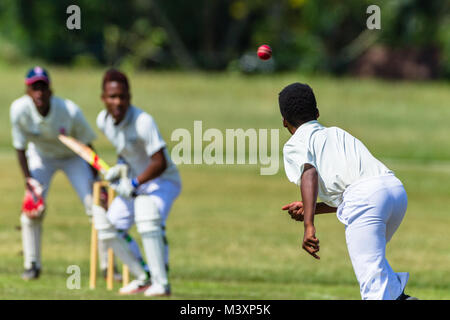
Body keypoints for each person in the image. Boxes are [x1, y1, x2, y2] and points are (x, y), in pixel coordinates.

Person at [279, 82, 417, 300]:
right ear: (317, 113)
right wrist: (311, 208)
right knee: (378, 273)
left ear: (284, 121)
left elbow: (310, 173)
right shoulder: (337, 133)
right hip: (395, 191)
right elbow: (353, 193)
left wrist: (309, 225)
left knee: (373, 288)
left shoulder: (296, 143)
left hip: (366, 199)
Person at [10, 66, 116, 280]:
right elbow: (20, 148)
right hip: (40, 156)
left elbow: (87, 145)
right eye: (34, 88)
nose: (39, 92)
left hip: (73, 157)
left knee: (95, 207)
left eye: (43, 87)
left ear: (50, 91)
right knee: (31, 210)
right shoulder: (18, 110)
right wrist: (29, 181)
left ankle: (107, 267)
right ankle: (32, 265)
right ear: (27, 91)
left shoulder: (69, 111)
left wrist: (97, 181)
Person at [93, 69, 181, 296]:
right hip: (136, 180)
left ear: (129, 97)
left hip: (162, 181)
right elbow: (126, 151)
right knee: (109, 227)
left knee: (147, 218)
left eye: (122, 96)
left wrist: (132, 183)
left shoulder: (143, 121)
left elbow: (160, 162)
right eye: (112, 97)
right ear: (103, 98)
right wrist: (120, 169)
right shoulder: (103, 121)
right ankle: (144, 277)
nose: (118, 102)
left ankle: (161, 283)